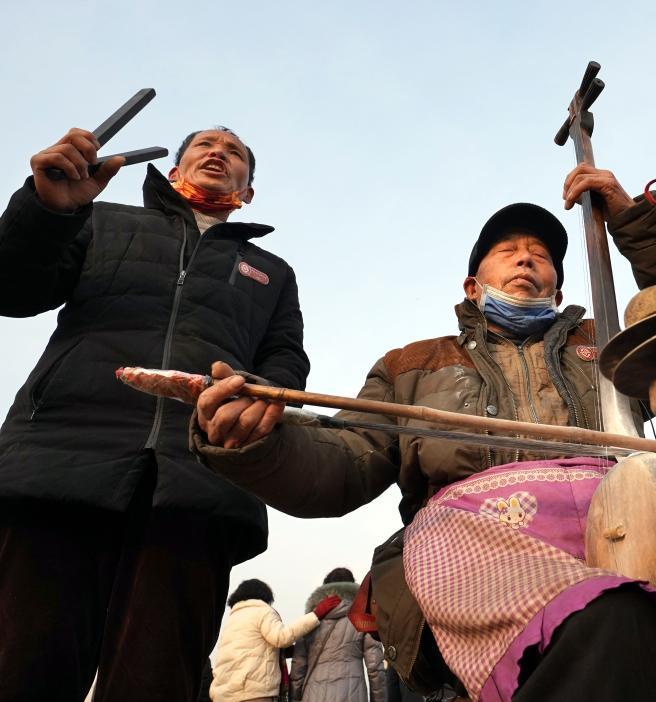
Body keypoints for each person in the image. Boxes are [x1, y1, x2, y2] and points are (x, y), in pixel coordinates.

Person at [192, 165, 656, 701]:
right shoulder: (411, 364)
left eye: (541, 255)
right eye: (507, 252)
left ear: (558, 285)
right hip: (479, 540)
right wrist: (258, 442)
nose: (526, 260)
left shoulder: (612, 345)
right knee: (607, 620)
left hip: (633, 518)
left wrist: (632, 221)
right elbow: (343, 461)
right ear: (471, 284)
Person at [0, 126, 310, 702]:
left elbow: (286, 359)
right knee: (21, 667)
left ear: (248, 190)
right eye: (204, 145)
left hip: (199, 480)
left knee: (157, 679)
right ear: (173, 169)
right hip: (58, 461)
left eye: (234, 152)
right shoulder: (99, 219)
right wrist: (46, 209)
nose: (218, 152)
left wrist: (259, 397)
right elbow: (12, 289)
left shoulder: (272, 271)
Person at [211, 579, 340, 702]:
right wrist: (316, 614)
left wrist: (291, 651)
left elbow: (254, 648)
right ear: (264, 596)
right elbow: (281, 638)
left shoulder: (232, 619)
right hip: (254, 692)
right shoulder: (262, 611)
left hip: (224, 694)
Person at [290, 568, 386, 702]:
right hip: (352, 695)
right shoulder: (363, 619)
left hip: (313, 695)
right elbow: (375, 668)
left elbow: (297, 670)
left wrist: (294, 698)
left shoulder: (310, 621)